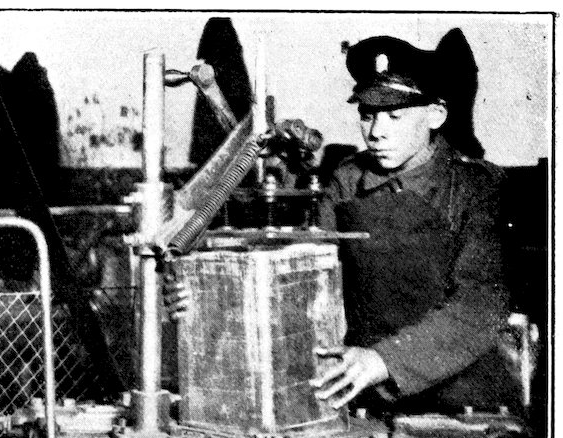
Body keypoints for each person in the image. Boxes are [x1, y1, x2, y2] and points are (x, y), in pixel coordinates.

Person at [168, 33, 517, 416]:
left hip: (460, 399)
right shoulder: (348, 180)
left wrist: (384, 360)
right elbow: (305, 278)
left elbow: (481, 303)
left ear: (436, 114)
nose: (377, 132)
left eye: (395, 116)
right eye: (367, 115)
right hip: (362, 391)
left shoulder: (474, 187)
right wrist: (207, 294)